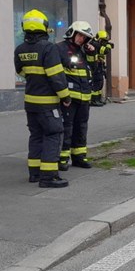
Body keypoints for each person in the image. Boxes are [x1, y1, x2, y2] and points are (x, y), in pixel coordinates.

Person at [14, 10, 71, 188]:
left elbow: (21, 72)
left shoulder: (20, 49)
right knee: (53, 135)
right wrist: (65, 96)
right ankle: (48, 177)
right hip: (48, 103)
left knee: (36, 136)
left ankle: (35, 173)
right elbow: (56, 76)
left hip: (30, 102)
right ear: (44, 26)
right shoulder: (48, 48)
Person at [57, 20, 96, 170]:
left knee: (81, 128)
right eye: (80, 35)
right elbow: (57, 74)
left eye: (85, 37)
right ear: (72, 33)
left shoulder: (84, 50)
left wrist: (92, 52)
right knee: (67, 128)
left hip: (84, 98)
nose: (82, 39)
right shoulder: (60, 48)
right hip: (69, 98)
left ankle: (79, 157)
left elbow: (92, 68)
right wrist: (63, 95)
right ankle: (62, 158)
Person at [87, 30, 113, 106]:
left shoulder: (96, 43)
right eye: (104, 41)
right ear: (100, 39)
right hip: (94, 66)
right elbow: (105, 51)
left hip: (98, 65)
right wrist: (108, 45)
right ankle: (93, 100)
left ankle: (98, 98)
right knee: (96, 83)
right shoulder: (94, 44)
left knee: (99, 83)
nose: (105, 42)